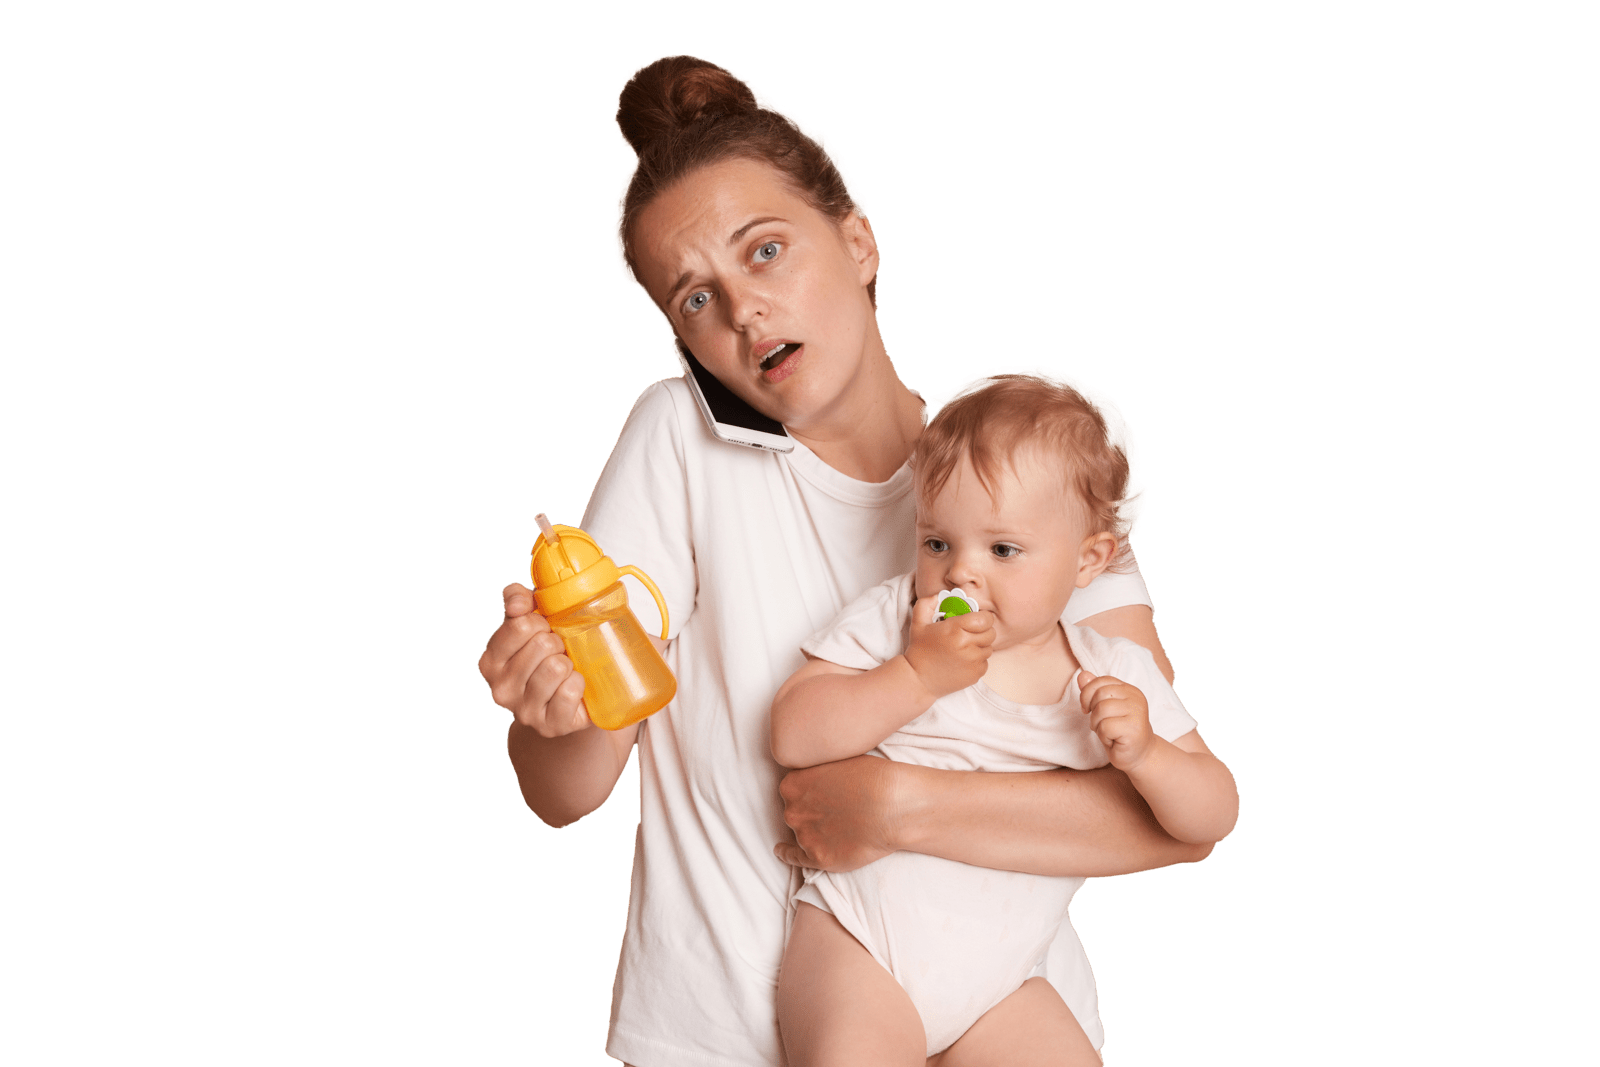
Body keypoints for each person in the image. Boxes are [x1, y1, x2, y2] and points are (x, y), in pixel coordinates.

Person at [476, 55, 1212, 1067]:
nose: (742, 312)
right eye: (694, 299)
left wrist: (896, 804)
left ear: (858, 238)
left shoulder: (1026, 469)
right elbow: (569, 789)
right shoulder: (681, 442)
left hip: (999, 1000)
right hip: (726, 1029)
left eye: (766, 250)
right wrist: (549, 708)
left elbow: (1166, 817)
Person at [771, 376, 1238, 1065]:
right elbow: (794, 730)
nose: (960, 572)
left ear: (1088, 560)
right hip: (860, 940)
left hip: (1002, 985)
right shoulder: (902, 618)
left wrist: (1147, 755)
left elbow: (1214, 813)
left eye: (1002, 550)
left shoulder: (1112, 672)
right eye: (937, 543)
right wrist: (916, 675)